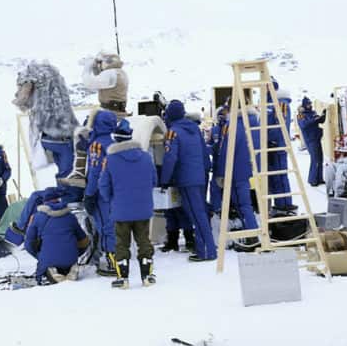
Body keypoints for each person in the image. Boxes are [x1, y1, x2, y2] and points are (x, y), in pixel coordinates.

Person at [99, 119, 158, 287]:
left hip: (121, 210)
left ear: (116, 139)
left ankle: (123, 278)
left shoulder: (110, 160)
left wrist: (111, 200)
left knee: (121, 243)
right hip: (143, 208)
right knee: (144, 241)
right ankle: (147, 276)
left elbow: (104, 186)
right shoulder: (146, 157)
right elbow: (154, 180)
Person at [62, 52, 129, 186]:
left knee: (81, 134)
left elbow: (90, 83)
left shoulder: (110, 74)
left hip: (108, 113)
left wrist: (88, 66)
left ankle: (79, 172)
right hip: (120, 111)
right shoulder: (121, 73)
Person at [161, 100, 216, 262]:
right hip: (199, 176)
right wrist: (205, 173)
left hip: (186, 179)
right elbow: (205, 154)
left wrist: (165, 180)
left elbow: (170, 158)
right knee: (200, 213)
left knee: (196, 215)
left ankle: (206, 250)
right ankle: (207, 247)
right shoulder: (194, 129)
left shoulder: (173, 132)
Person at [81, 110, 118, 275]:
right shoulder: (114, 142)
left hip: (101, 194)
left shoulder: (97, 145)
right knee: (113, 226)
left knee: (105, 227)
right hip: (115, 192)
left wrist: (89, 194)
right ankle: (118, 261)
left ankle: (111, 263)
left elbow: (95, 172)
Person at [24, 196, 89, 284]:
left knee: (44, 265)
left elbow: (28, 244)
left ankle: (51, 271)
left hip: (48, 260)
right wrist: (76, 254)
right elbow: (84, 241)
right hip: (71, 258)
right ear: (59, 200)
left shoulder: (37, 217)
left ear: (44, 202)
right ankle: (71, 269)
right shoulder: (70, 216)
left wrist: (40, 256)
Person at [215, 104, 260, 233]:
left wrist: (220, 173)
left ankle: (252, 233)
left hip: (233, 171)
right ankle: (251, 231)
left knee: (242, 204)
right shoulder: (253, 122)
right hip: (246, 169)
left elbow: (225, 152)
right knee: (246, 204)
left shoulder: (232, 126)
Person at [267, 79, 295, 212]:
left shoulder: (280, 104)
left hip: (277, 146)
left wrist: (271, 140)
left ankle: (284, 204)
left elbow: (280, 125)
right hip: (271, 146)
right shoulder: (268, 103)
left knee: (280, 176)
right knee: (274, 177)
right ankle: (280, 203)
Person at [297, 97, 326, 186]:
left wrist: (323, 115)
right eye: (308, 104)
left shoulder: (313, 113)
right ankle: (312, 179)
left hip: (317, 137)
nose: (310, 106)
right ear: (304, 105)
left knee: (320, 159)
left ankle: (319, 178)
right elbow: (304, 124)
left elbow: (320, 121)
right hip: (310, 140)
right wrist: (314, 120)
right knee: (315, 159)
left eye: (310, 104)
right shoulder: (300, 115)